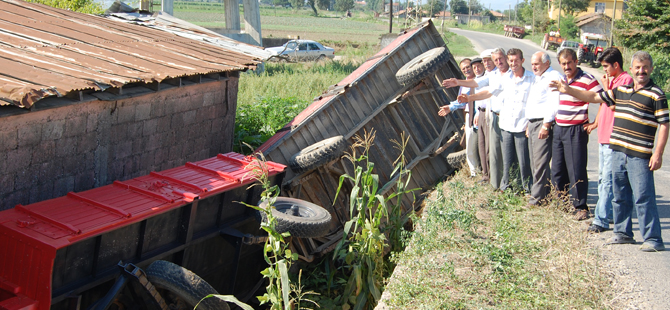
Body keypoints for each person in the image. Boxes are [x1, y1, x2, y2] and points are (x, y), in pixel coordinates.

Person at [550, 51, 667, 252]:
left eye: (645, 67)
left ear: (651, 69)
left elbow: (664, 125)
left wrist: (658, 153)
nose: (641, 71)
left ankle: (653, 238)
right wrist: (568, 90)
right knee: (619, 194)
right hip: (617, 150)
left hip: (640, 154)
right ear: (631, 69)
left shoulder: (656, 94)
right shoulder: (621, 89)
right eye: (637, 67)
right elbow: (594, 96)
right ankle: (622, 233)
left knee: (643, 196)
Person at [459, 48, 533, 192]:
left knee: (521, 158)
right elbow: (485, 90)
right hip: (501, 119)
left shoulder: (528, 78)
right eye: (494, 60)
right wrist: (466, 94)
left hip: (520, 123)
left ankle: (525, 188)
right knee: (499, 154)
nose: (499, 62)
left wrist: (530, 122)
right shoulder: (502, 78)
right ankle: (502, 185)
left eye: (501, 59)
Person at [443, 47, 508, 190]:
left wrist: (467, 95)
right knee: (482, 147)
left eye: (487, 61)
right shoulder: (489, 77)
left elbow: (486, 93)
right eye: (485, 61)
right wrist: (458, 84)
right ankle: (486, 176)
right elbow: (474, 86)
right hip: (476, 115)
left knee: (494, 149)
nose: (485, 65)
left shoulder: (500, 75)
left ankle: (498, 180)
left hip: (492, 115)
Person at [584, 47, 633, 233]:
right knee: (606, 178)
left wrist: (606, 87)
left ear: (616, 65)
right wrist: (596, 123)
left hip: (614, 137)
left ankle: (601, 220)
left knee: (607, 179)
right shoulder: (613, 80)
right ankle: (608, 214)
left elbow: (615, 107)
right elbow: (604, 107)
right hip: (604, 134)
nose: (604, 70)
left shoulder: (625, 80)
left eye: (606, 66)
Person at [552, 49, 602, 220]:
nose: (566, 66)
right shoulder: (561, 80)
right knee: (558, 169)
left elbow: (602, 98)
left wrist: (595, 122)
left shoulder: (587, 79)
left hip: (576, 129)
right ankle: (562, 202)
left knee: (576, 168)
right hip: (559, 127)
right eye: (563, 63)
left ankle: (580, 206)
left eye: (569, 63)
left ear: (575, 62)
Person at [525, 51, 562, 205]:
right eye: (532, 64)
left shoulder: (553, 77)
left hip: (543, 123)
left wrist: (546, 125)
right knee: (534, 161)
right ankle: (543, 195)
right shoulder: (538, 77)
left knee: (540, 162)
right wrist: (528, 124)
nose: (534, 67)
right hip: (533, 123)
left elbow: (554, 102)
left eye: (537, 64)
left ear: (546, 63)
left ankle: (537, 197)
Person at [439, 58, 480, 177]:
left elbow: (467, 98)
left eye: (468, 67)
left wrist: (451, 107)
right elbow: (462, 104)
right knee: (469, 145)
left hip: (478, 115)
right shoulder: (464, 84)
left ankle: (481, 170)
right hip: (469, 116)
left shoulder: (478, 81)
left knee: (479, 144)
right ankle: (475, 172)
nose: (466, 70)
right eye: (463, 69)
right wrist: (465, 121)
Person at [471, 55, 490, 183]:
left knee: (488, 147)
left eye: (479, 66)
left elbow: (485, 98)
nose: (477, 69)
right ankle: (485, 175)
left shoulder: (487, 78)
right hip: (479, 114)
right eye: (475, 67)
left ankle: (489, 175)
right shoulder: (474, 80)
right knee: (481, 147)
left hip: (487, 114)